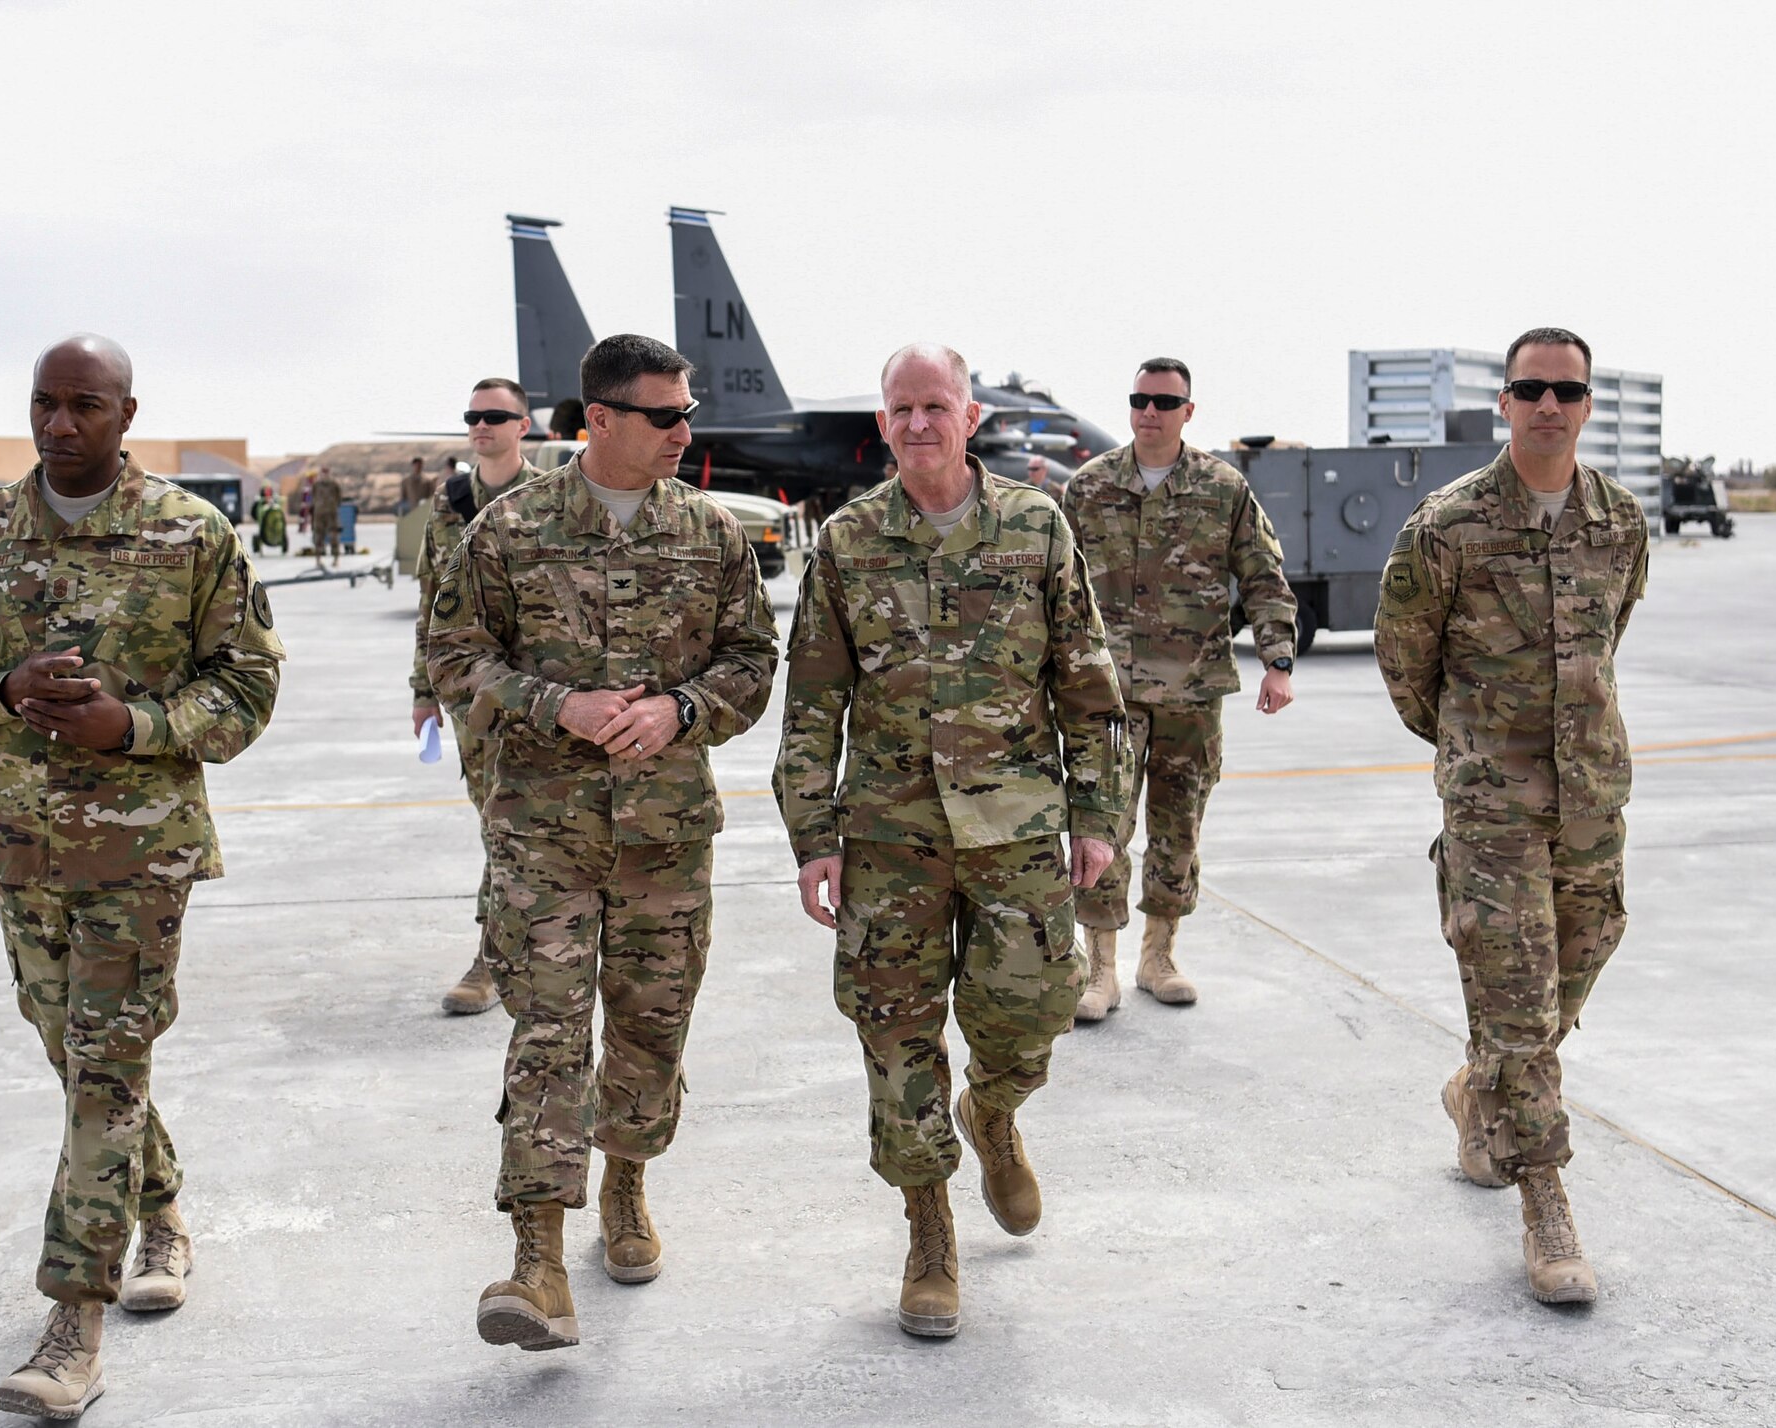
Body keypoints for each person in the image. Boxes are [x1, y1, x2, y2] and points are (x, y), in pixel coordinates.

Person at [0, 334, 284, 1419]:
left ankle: (73, 1321)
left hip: (143, 847)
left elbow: (247, 688)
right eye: (43, 403)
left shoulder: (190, 533)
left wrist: (137, 726)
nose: (60, 424)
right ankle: (161, 1210)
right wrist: (1, 692)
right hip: (21, 844)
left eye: (84, 404)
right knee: (73, 1055)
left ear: (125, 414)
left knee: (105, 1058)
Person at [428, 334, 777, 1351]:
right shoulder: (508, 531)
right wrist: (554, 704)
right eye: (664, 416)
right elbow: (453, 657)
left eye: (686, 412)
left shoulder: (709, 533)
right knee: (545, 1034)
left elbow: (752, 662)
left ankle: (625, 1182)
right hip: (542, 834)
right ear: (602, 420)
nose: (684, 431)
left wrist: (680, 710)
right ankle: (535, 1259)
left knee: (649, 1031)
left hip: (664, 836)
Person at [773, 343, 1130, 1339]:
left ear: (969, 416)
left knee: (1029, 1014)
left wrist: (1097, 820)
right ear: (881, 426)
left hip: (1016, 827)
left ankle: (996, 1113)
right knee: (893, 1033)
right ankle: (927, 1230)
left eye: (935, 405)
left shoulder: (1035, 526)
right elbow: (812, 705)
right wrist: (813, 835)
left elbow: (1093, 693)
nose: (919, 424)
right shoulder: (846, 544)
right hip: (888, 836)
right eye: (901, 409)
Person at [1375, 326, 1647, 1305]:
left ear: (1585, 404)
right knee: (1516, 1000)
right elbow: (1406, 662)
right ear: (1503, 401)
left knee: (1579, 957)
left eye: (1564, 391)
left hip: (1590, 797)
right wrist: (1465, 748)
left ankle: (1476, 1089)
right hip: (1490, 802)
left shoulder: (1619, 523)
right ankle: (1544, 1201)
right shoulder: (1443, 525)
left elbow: (1608, 636)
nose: (1547, 406)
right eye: (1529, 388)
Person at [1062, 358, 1298, 1020]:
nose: (1149, 411)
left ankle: (1158, 956)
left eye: (1165, 401)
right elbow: (1054, 587)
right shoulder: (1088, 488)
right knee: (1101, 827)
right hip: (1106, 696)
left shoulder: (1223, 489)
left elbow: (1262, 575)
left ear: (1188, 411)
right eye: (1139, 398)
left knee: (1178, 830)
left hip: (1192, 693)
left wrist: (1278, 659)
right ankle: (1100, 968)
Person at [410, 377, 540, 1014]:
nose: (481, 425)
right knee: (497, 823)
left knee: (527, 825)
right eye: (473, 416)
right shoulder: (450, 500)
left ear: (524, 426)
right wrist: (421, 689)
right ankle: (498, 957)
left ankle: (500, 957)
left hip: (539, 696)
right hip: (471, 697)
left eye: (495, 415)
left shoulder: (547, 498)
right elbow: (433, 603)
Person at [309, 465, 343, 560]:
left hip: (331, 514)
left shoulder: (334, 485)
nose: (325, 475)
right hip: (319, 514)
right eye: (323, 473)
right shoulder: (316, 485)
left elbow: (339, 498)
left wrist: (332, 506)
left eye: (326, 473)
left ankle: (336, 557)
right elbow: (313, 497)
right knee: (318, 536)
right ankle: (318, 558)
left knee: (334, 536)